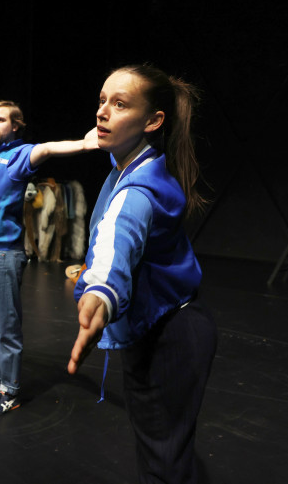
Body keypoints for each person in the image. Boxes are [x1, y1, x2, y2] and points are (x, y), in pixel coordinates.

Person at [67, 64, 217, 483]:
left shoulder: (137, 190)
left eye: (119, 104)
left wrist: (99, 293)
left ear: (153, 121)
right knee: (165, 449)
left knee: (163, 462)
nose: (102, 112)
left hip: (169, 336)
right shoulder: (135, 167)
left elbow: (120, 236)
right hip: (176, 322)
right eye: (101, 101)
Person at [0, 100, 97, 416]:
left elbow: (48, 149)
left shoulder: (21, 155)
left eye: (0, 120)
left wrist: (83, 143)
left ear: (16, 126)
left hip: (3, 255)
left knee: (6, 326)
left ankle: (9, 391)